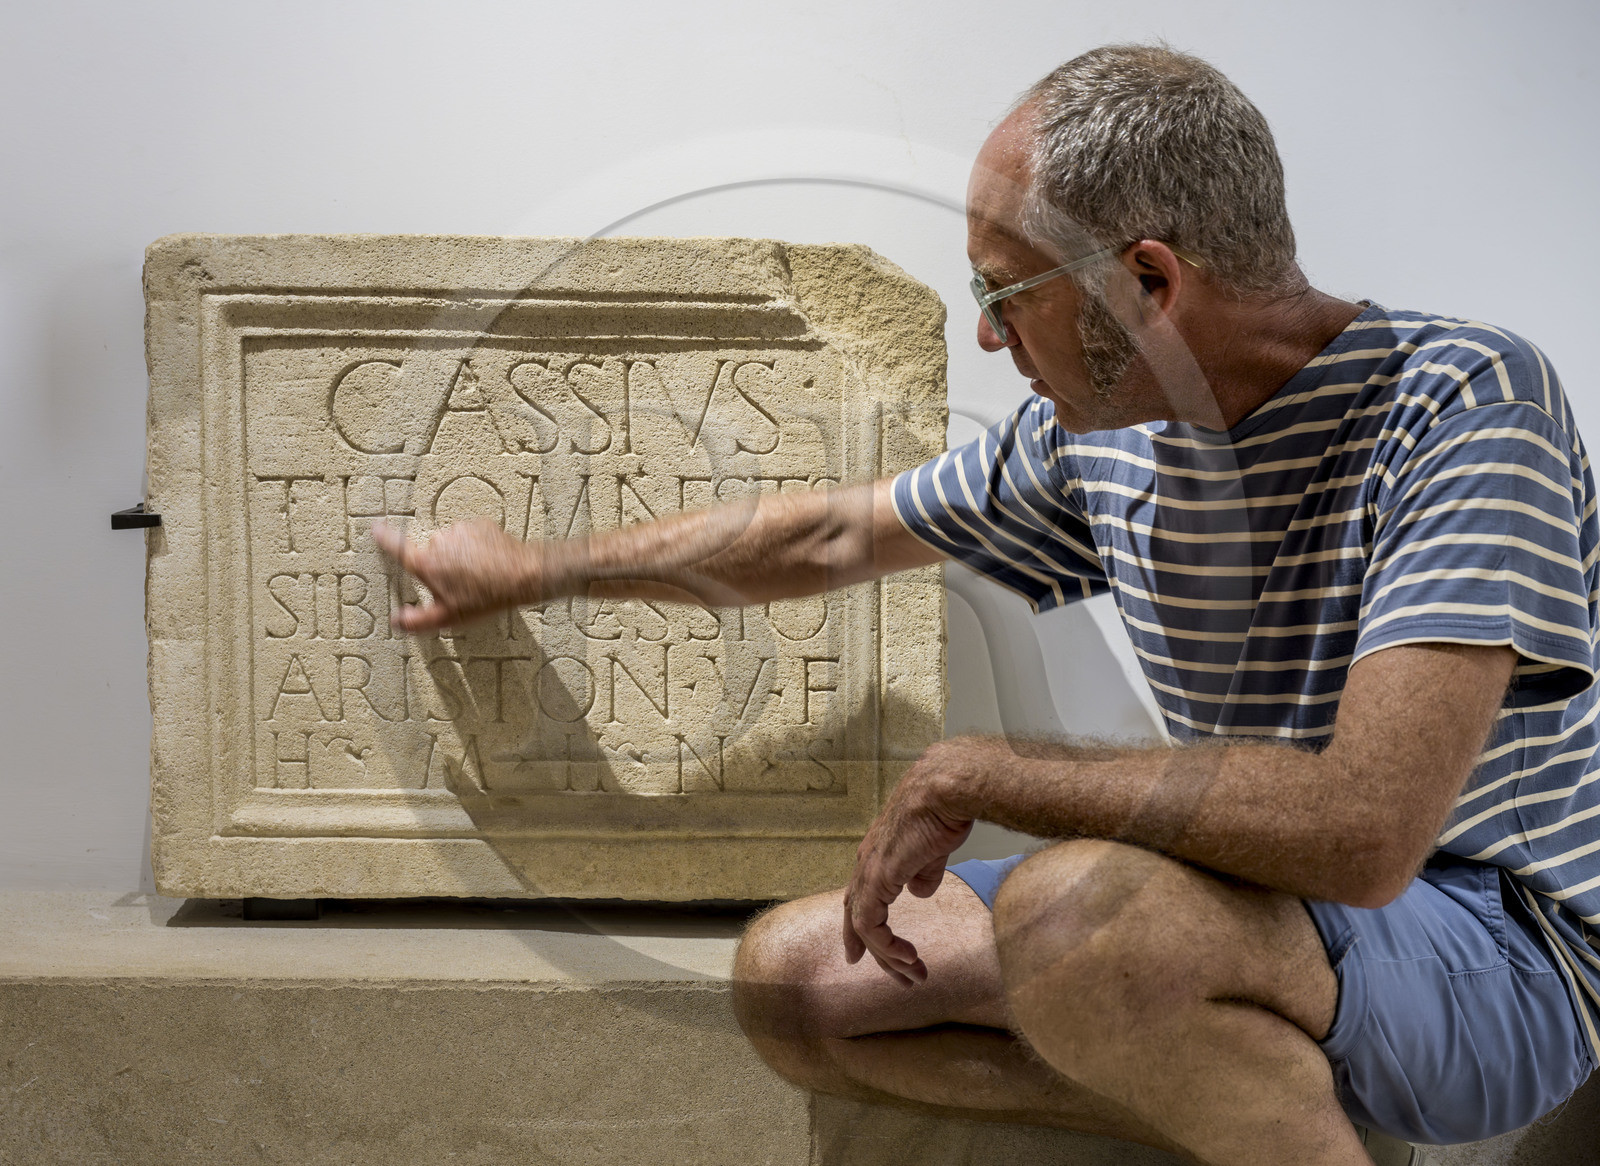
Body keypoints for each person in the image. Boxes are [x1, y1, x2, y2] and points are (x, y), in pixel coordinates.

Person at [374, 43, 1599, 1166]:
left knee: (1080, 912)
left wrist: (985, 770)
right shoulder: (1105, 442)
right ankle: (1258, 1107)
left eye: (1006, 290)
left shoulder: (1464, 404)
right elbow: (824, 533)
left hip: (1501, 944)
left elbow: (1368, 833)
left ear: (1147, 285)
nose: (986, 330)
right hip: (1265, 913)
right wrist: (531, 568)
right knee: (797, 980)